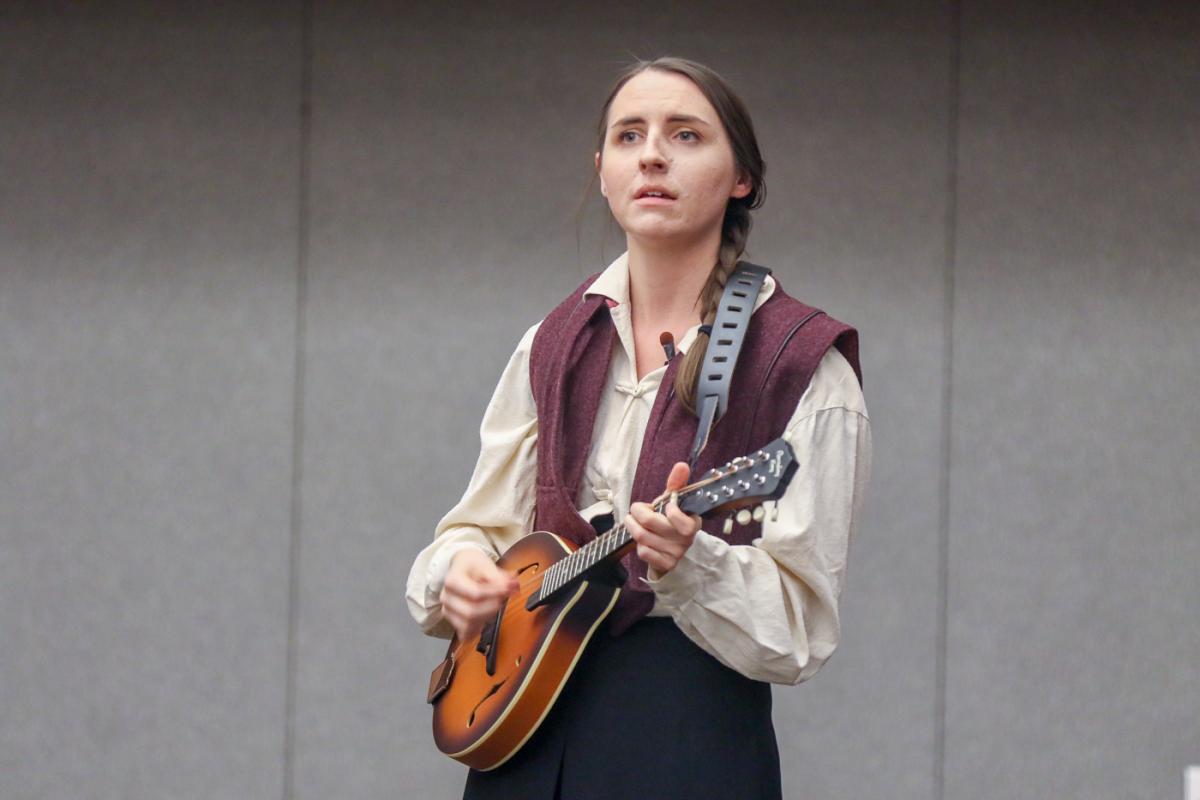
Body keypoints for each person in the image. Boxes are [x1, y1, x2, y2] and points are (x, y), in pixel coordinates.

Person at [406, 57, 872, 800]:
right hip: (521, 733)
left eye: (685, 135)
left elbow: (800, 631)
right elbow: (474, 530)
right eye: (630, 136)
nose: (652, 153)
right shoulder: (551, 341)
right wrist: (457, 573)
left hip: (684, 738)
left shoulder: (803, 364)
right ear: (602, 171)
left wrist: (694, 566)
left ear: (742, 177)